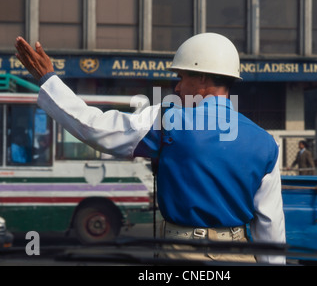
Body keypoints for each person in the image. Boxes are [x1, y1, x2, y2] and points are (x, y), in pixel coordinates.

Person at [15, 33, 286, 264]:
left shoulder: (167, 120)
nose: (177, 87)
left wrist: (49, 79)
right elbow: (271, 228)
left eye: (181, 77)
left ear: (202, 78)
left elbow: (94, 127)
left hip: (184, 254)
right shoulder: (266, 142)